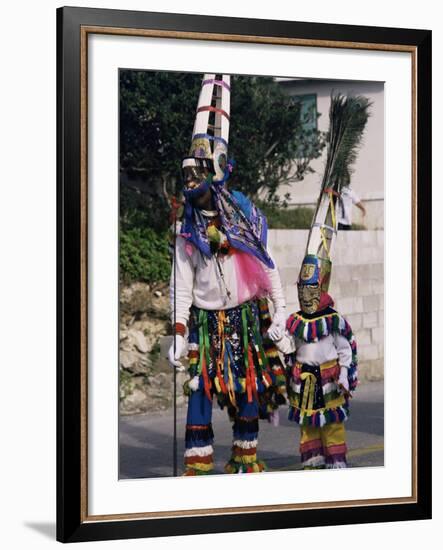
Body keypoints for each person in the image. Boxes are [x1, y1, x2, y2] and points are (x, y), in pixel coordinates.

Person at [168, 74, 287, 476]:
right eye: (187, 174)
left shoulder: (242, 215)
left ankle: (245, 463)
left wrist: (282, 315)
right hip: (205, 322)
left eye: (197, 172)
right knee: (199, 392)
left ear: (216, 170)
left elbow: (268, 266)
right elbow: (181, 284)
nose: (190, 181)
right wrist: (179, 332)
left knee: (247, 391)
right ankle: (198, 470)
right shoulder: (186, 230)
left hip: (245, 318)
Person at [270, 253, 358, 469]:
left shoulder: (333, 319)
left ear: (321, 289)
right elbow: (290, 348)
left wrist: (345, 375)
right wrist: (279, 339)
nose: (306, 296)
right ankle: (312, 461)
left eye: (311, 290)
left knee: (332, 424)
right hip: (305, 380)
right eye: (302, 290)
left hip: (329, 379)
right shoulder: (296, 320)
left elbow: (345, 349)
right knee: (307, 424)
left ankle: (336, 462)